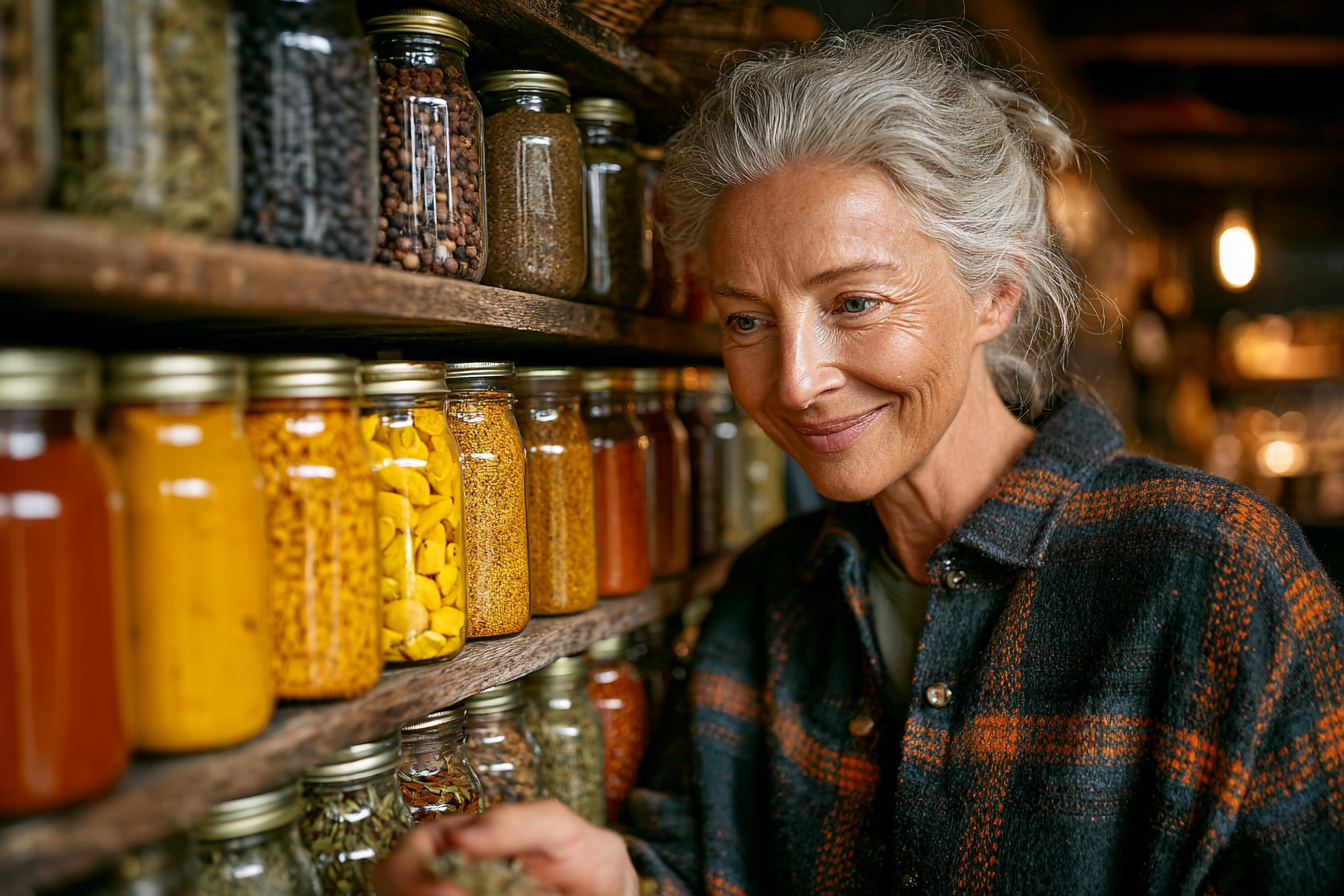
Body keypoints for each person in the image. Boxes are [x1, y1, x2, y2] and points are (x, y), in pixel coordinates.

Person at [374, 26, 1344, 896]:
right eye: (747, 319)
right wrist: (613, 882)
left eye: (854, 303)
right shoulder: (766, 600)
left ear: (994, 295)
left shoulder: (1218, 575)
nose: (794, 381)